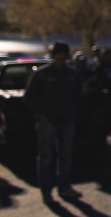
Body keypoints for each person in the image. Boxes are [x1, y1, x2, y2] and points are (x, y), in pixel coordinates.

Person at [23, 42, 82, 203]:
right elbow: (29, 97)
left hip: (66, 120)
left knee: (66, 157)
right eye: (58, 56)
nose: (60, 59)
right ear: (53, 56)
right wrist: (40, 114)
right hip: (47, 121)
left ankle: (65, 186)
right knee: (46, 157)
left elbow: (78, 95)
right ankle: (46, 191)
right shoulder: (42, 74)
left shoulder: (72, 74)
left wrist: (73, 112)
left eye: (63, 56)